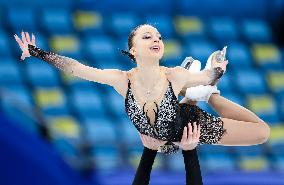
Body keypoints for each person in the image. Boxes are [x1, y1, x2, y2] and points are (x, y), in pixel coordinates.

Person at [14, 24, 269, 155]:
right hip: (162, 140)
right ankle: (193, 97)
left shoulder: (174, 74)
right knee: (163, 138)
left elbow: (207, 75)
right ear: (133, 50)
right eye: (147, 37)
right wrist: (36, 52)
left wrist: (218, 70)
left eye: (158, 36)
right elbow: (76, 68)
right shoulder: (121, 79)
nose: (156, 39)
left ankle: (205, 97)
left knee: (262, 133)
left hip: (187, 128)